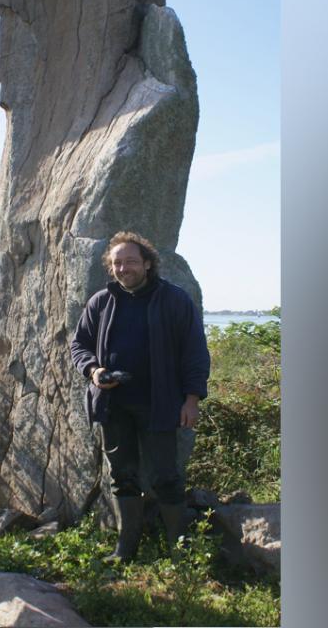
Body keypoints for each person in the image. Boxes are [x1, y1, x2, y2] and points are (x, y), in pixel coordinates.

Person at [69, 230, 211, 562]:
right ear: (110, 267)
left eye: (131, 261)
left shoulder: (174, 300)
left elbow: (195, 353)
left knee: (165, 476)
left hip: (160, 404)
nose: (123, 268)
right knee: (122, 476)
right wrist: (93, 371)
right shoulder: (100, 302)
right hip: (112, 405)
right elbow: (79, 345)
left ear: (147, 263)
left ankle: (180, 551)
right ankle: (126, 549)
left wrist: (192, 399)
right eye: (117, 262)